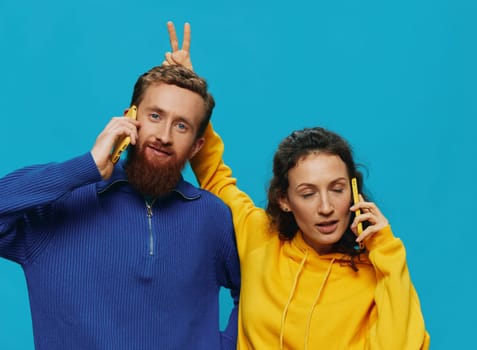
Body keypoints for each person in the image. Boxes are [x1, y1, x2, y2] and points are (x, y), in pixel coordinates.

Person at [164, 22, 430, 349]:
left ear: (354, 193)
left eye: (337, 189)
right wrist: (190, 93)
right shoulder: (259, 238)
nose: (326, 207)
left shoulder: (373, 274)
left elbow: (405, 344)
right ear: (285, 199)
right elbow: (214, 172)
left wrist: (387, 250)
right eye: (308, 193)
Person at [0, 64, 240, 349]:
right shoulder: (63, 205)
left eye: (181, 125)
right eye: (155, 116)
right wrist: (85, 166)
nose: (164, 136)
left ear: (196, 146)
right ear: (130, 118)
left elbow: (255, 289)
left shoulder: (212, 217)